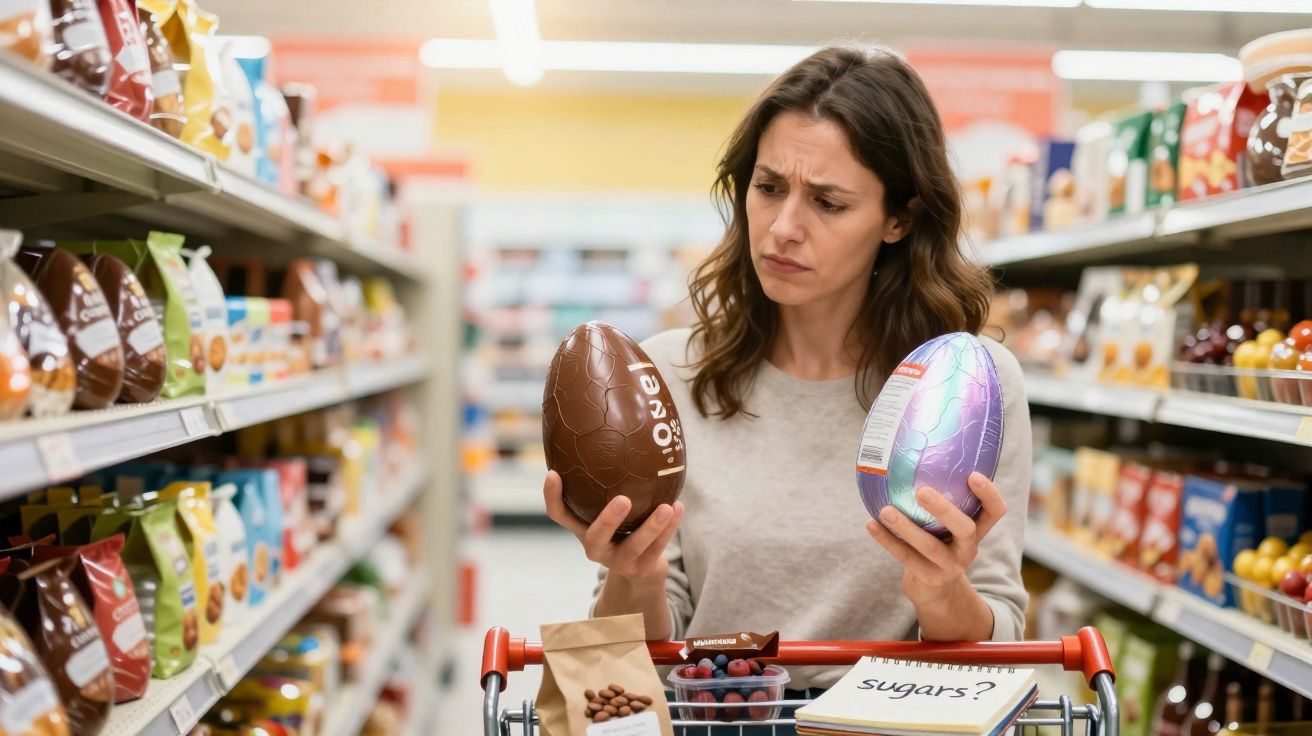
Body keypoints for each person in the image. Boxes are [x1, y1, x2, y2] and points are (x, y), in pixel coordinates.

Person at [542, 45, 1031, 733]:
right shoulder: (667, 376)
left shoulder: (966, 389)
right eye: (769, 188)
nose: (782, 228)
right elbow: (626, 668)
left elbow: (998, 638)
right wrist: (634, 571)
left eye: (828, 202)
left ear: (901, 219)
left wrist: (940, 589)